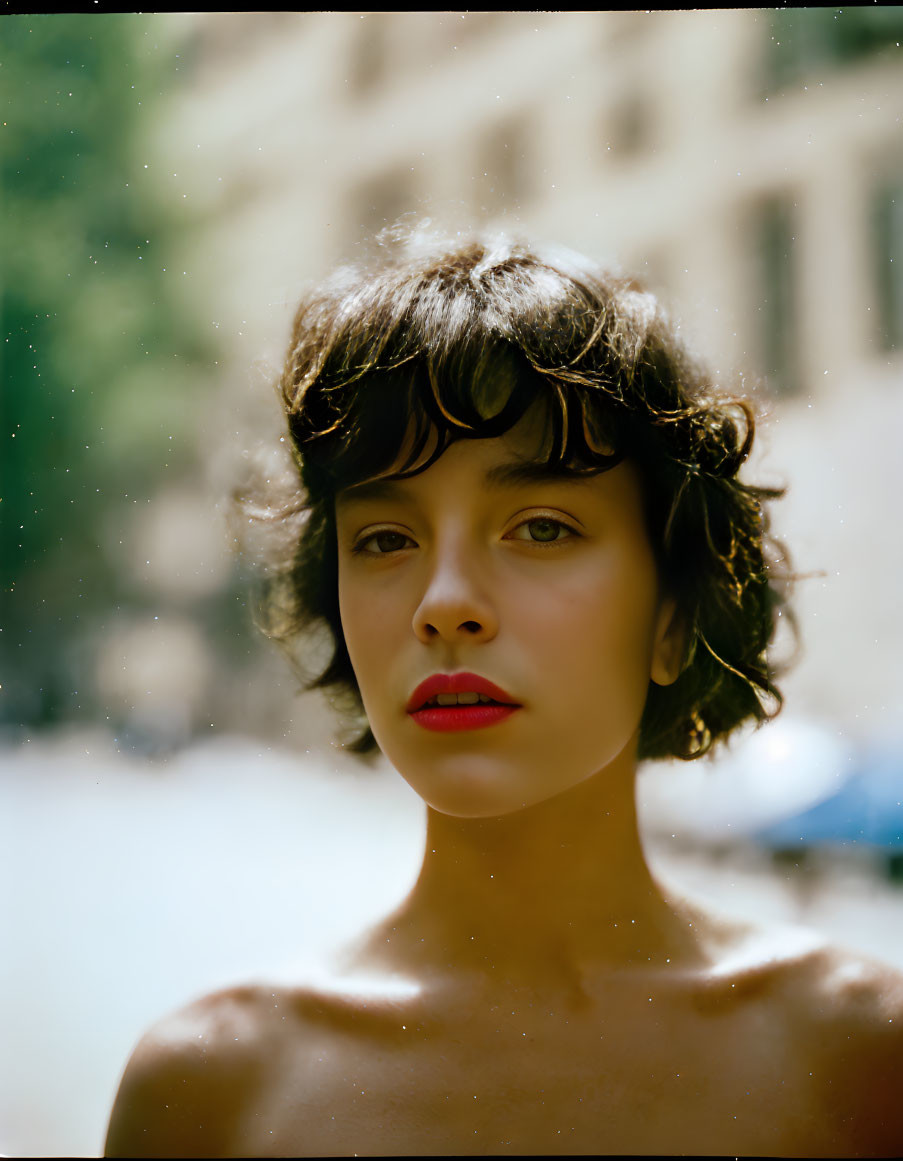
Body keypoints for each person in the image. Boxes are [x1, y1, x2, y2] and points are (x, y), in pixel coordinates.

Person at [104, 228, 903, 1156]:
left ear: (672, 614)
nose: (443, 604)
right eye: (385, 540)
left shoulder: (857, 1060)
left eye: (540, 526)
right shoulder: (211, 1094)